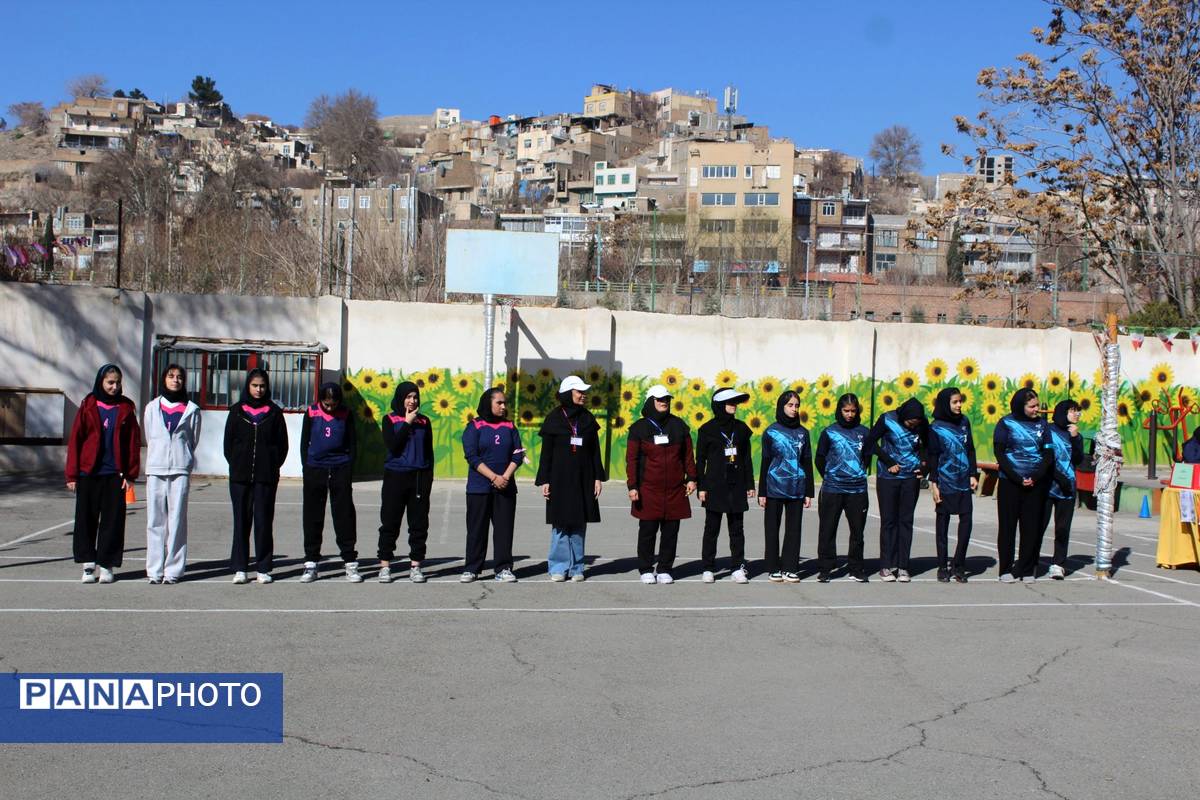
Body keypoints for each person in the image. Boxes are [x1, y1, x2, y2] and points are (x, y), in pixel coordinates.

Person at [66, 363, 142, 584]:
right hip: (88, 473)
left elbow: (133, 442)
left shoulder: (126, 407)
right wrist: (72, 475)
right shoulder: (88, 405)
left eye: (117, 383)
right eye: (110, 382)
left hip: (115, 475)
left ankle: (107, 564)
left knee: (113, 521)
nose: (114, 387)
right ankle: (88, 564)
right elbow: (76, 440)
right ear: (101, 382)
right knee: (85, 520)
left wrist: (130, 474)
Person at [626, 384, 697, 585]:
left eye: (666, 399)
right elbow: (632, 460)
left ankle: (665, 568)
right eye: (659, 399)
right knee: (647, 531)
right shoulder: (639, 428)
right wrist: (633, 486)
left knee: (671, 532)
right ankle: (646, 568)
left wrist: (692, 478)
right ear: (651, 402)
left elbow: (688, 455)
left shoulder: (679, 425)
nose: (664, 402)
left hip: (675, 490)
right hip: (648, 489)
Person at [536, 376, 605, 582]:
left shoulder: (587, 418)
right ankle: (558, 567)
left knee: (578, 524)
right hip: (559, 479)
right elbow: (546, 454)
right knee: (560, 524)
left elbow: (595, 451)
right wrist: (545, 480)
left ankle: (577, 568)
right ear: (568, 394)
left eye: (584, 392)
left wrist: (597, 477)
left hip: (584, 479)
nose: (583, 395)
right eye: (579, 392)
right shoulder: (554, 418)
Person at [223, 367, 289, 584]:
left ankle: (264, 567)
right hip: (240, 478)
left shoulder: (274, 412)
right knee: (241, 522)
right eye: (254, 386)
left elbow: (282, 446)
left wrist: (271, 465)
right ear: (248, 386)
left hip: (265, 478)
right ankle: (240, 568)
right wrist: (238, 463)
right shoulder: (236, 411)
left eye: (262, 386)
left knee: (263, 522)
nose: (258, 389)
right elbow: (228, 445)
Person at [142, 364, 201, 584]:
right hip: (156, 468)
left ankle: (173, 570)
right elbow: (149, 435)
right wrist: (160, 453)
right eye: (171, 376)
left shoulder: (192, 409)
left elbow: (193, 439)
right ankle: (154, 570)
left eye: (179, 377)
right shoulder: (152, 407)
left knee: (177, 521)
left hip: (179, 469)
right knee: (155, 521)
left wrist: (182, 457)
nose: (175, 380)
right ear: (164, 379)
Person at [461, 387, 525, 583]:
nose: (503, 406)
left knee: (504, 530)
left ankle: (503, 568)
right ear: (488, 403)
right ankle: (472, 568)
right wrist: (493, 477)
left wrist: (505, 477)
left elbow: (518, 454)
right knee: (476, 530)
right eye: (499, 403)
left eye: (504, 403)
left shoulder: (510, 426)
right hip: (479, 488)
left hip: (505, 488)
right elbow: (472, 456)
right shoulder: (474, 426)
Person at [299, 382, 359, 583]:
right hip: (315, 468)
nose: (330, 407)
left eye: (334, 404)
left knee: (344, 515)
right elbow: (304, 442)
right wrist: (307, 467)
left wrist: (348, 467)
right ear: (321, 400)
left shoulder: (346, 414)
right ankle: (311, 562)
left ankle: (350, 561)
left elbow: (352, 442)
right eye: (327, 404)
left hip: (340, 468)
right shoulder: (311, 413)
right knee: (313, 516)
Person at [695, 387, 756, 583]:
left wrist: (750, 484)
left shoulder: (741, 429)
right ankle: (708, 568)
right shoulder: (707, 430)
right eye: (730, 403)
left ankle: (737, 567)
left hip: (736, 485)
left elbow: (746, 459)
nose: (734, 406)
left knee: (737, 529)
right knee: (711, 528)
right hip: (714, 486)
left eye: (735, 403)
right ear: (720, 405)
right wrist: (701, 486)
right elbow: (700, 460)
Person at [993, 388, 1053, 582]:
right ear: (1021, 406)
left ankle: (1026, 569)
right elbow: (999, 453)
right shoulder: (1005, 423)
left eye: (1037, 405)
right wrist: (1017, 478)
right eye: (1032, 406)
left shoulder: (1043, 425)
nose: (1036, 409)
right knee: (1008, 527)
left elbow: (1048, 454)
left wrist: (1035, 476)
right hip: (1010, 482)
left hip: (1035, 483)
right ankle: (1005, 569)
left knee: (1031, 527)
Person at [378, 380, 434, 583]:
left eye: (415, 397)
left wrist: (428, 479)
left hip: (418, 477)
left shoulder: (424, 421)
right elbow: (393, 446)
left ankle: (416, 565)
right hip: (395, 476)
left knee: (418, 524)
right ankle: (385, 565)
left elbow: (428, 453)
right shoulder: (389, 419)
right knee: (390, 522)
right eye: (408, 397)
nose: (412, 401)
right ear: (401, 398)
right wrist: (407, 422)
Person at [865, 398, 927, 583]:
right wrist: (888, 461)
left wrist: (925, 467)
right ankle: (886, 565)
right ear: (904, 416)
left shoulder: (922, 423)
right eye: (910, 423)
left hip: (910, 479)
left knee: (906, 521)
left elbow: (928, 446)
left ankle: (903, 566)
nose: (912, 427)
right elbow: (870, 442)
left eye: (915, 424)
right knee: (889, 521)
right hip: (888, 478)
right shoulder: (887, 419)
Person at [757, 391, 814, 582]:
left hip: (797, 487)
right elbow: (765, 462)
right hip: (774, 487)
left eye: (797, 405)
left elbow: (807, 461)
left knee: (794, 530)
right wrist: (762, 492)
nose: (794, 409)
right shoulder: (771, 432)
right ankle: (773, 567)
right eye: (790, 405)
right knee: (772, 529)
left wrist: (809, 492)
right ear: (782, 406)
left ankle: (790, 567)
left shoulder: (803, 433)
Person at [815, 394, 870, 582]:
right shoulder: (829, 432)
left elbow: (867, 458)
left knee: (857, 532)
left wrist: (856, 475)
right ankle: (825, 568)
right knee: (828, 530)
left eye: (853, 411)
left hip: (857, 491)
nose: (850, 414)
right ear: (840, 410)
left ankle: (856, 568)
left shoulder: (864, 432)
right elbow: (819, 458)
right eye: (846, 411)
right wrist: (831, 476)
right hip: (832, 489)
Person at [926, 387, 978, 583]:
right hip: (944, 482)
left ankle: (959, 565)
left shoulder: (964, 422)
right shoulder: (935, 427)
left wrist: (973, 474)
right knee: (943, 524)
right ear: (945, 404)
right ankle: (942, 566)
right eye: (955, 402)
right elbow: (933, 456)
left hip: (963, 481)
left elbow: (970, 449)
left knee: (966, 521)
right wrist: (934, 484)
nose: (959, 405)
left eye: (960, 401)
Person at [1041, 399, 1083, 580]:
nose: (1077, 414)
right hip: (1047, 485)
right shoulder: (1048, 430)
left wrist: (1075, 438)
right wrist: (1057, 476)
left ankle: (1058, 564)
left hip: (1068, 487)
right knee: (1039, 525)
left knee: (1063, 528)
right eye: (1072, 411)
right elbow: (1045, 457)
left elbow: (1078, 459)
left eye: (1078, 411)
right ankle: (1030, 560)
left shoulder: (1075, 435)